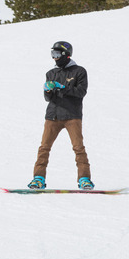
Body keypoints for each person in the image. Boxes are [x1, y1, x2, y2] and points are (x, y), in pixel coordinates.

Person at [29, 41, 94, 190]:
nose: (55, 58)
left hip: (72, 116)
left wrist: (63, 87)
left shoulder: (79, 71)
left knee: (78, 148)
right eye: (53, 54)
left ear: (66, 54)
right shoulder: (51, 73)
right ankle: (38, 179)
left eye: (57, 54)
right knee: (44, 148)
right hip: (53, 116)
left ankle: (84, 179)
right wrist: (48, 91)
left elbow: (80, 92)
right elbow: (48, 99)